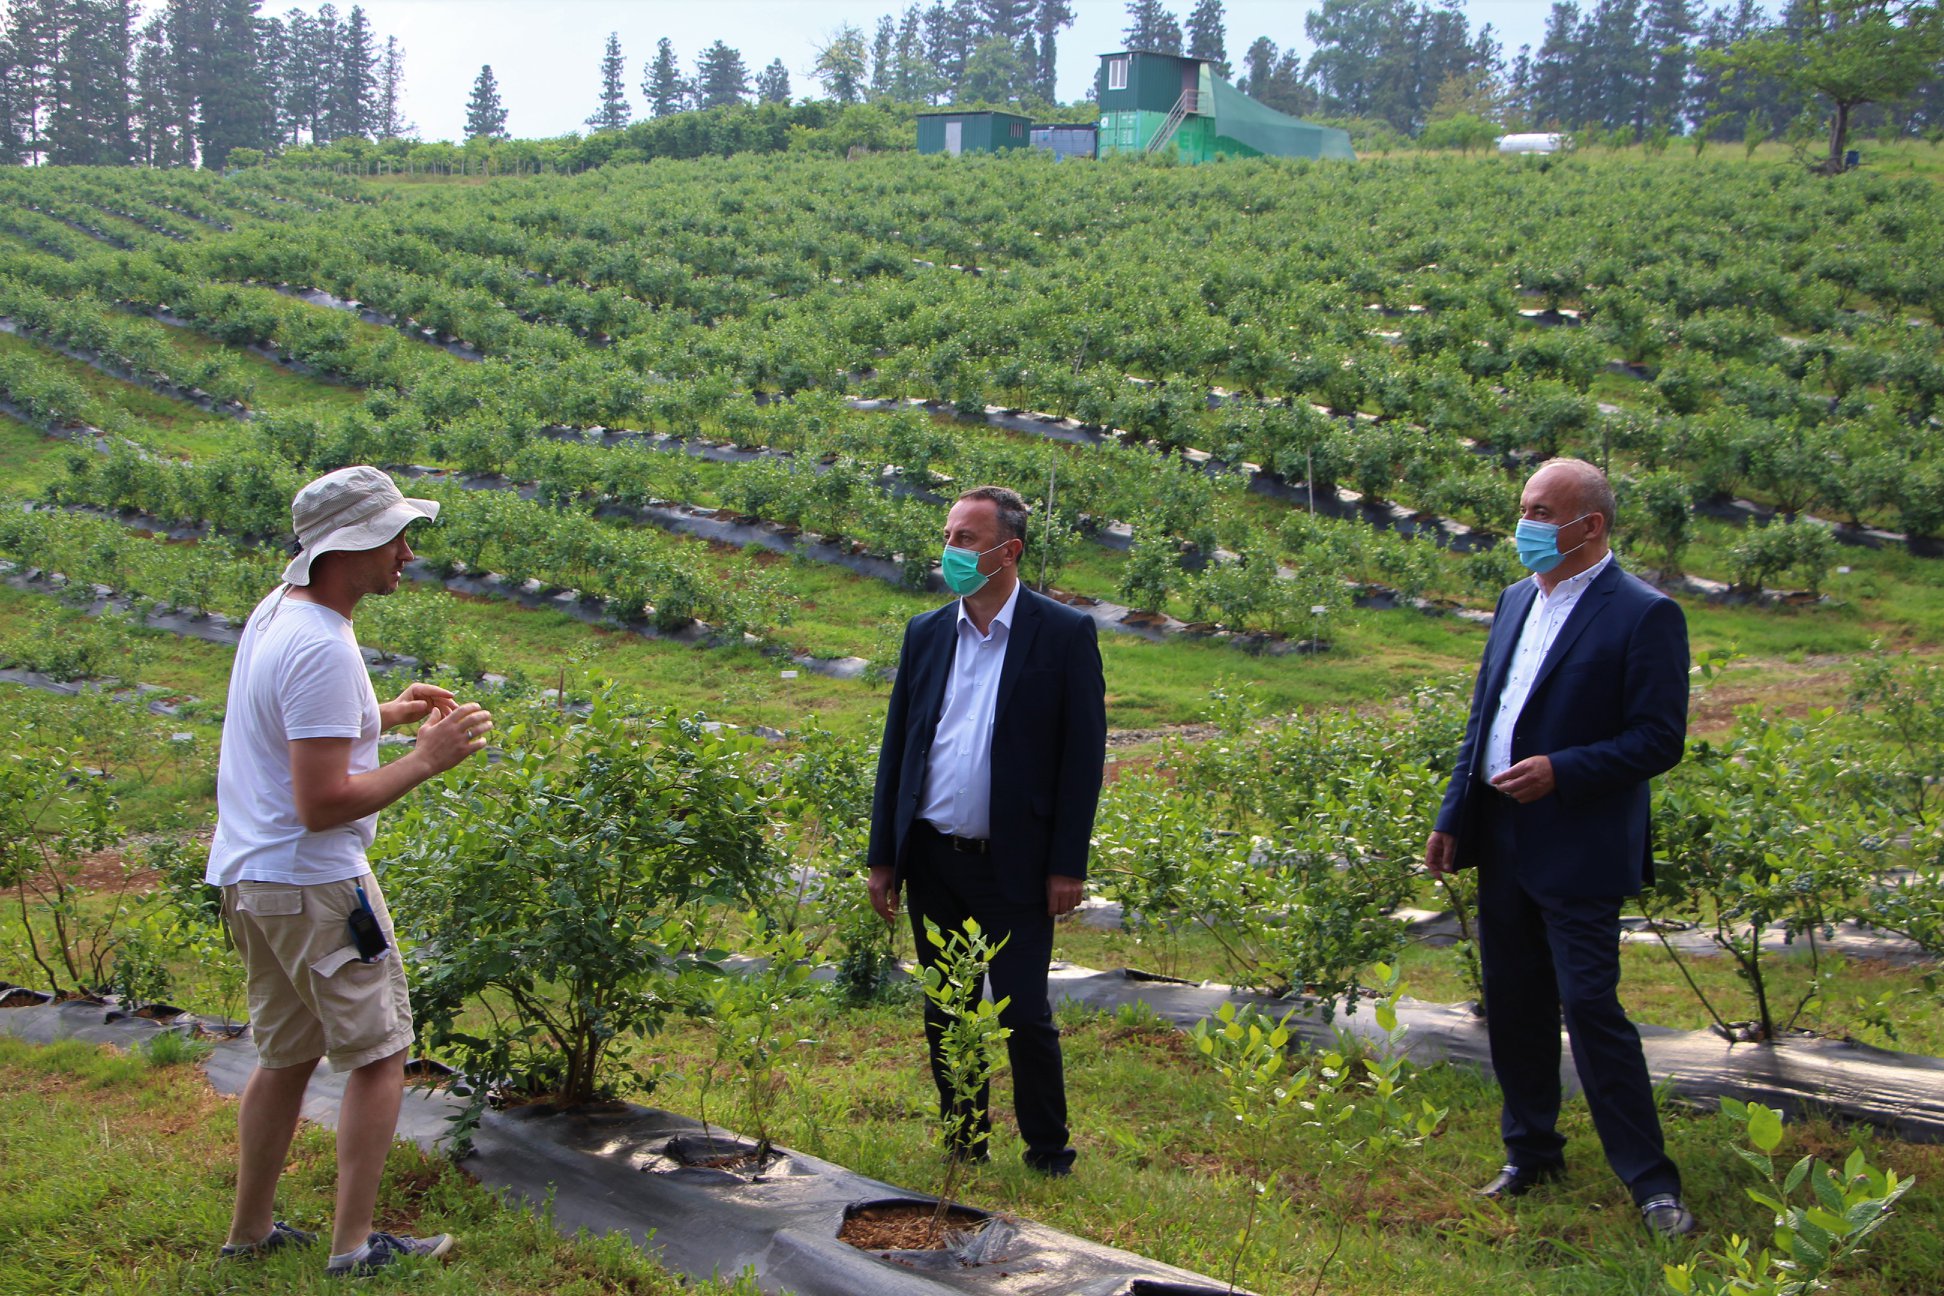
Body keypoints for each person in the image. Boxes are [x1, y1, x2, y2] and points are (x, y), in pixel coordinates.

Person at [207, 465, 493, 1277]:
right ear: (350, 545)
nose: (407, 553)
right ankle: (354, 1249)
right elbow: (322, 803)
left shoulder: (279, 612)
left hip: (253, 880)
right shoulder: (322, 646)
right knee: (379, 1055)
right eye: (395, 537)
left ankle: (250, 1234)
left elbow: (294, 730)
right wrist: (427, 758)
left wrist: (383, 715)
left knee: (286, 1054)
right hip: (318, 887)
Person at [1425, 457, 1696, 1238]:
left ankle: (1650, 1181)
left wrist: (1563, 771)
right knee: (1513, 1002)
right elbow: (1484, 718)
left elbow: (1658, 738)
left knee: (1590, 1005)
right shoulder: (1517, 600)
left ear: (1591, 525)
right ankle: (1532, 1152)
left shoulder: (1643, 614)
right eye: (1524, 509)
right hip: (1503, 832)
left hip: (1578, 841)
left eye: (1542, 512)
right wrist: (1454, 814)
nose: (1526, 525)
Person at [866, 485, 1107, 1176]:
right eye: (948, 536)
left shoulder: (1062, 634)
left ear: (1009, 550)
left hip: (1018, 863)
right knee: (947, 1006)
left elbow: (1082, 759)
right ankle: (964, 1141)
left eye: (966, 539)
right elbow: (898, 748)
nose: (951, 551)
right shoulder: (926, 632)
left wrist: (1067, 864)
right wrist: (884, 857)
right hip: (933, 857)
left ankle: (1048, 1151)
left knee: (1023, 1012)